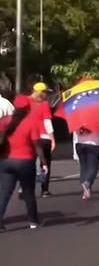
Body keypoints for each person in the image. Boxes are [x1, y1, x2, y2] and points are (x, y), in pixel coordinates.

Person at [0, 95, 48, 231]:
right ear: (28, 108)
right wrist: (43, 163)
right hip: (25, 162)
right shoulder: (31, 122)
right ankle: (33, 221)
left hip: (5, 161)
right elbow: (37, 146)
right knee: (28, 192)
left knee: (4, 193)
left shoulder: (5, 121)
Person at [73, 121, 99, 200]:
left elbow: (76, 131)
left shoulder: (78, 118)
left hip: (80, 144)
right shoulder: (97, 118)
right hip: (94, 144)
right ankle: (87, 181)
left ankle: (86, 191)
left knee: (83, 167)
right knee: (94, 167)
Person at [29, 82, 55, 197]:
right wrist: (52, 139)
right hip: (44, 138)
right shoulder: (44, 105)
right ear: (42, 93)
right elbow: (47, 122)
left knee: (30, 163)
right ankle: (44, 190)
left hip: (30, 138)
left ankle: (26, 188)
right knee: (46, 163)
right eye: (45, 92)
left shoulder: (27, 103)